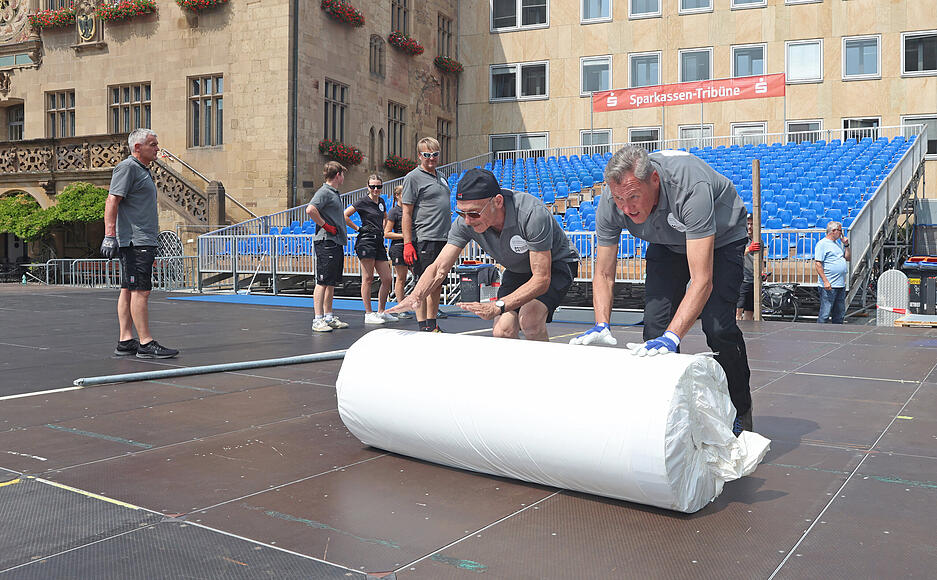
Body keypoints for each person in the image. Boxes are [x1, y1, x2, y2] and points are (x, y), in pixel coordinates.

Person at [571, 145, 753, 435]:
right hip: (667, 243)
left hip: (721, 239)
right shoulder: (612, 200)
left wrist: (674, 336)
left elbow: (702, 279)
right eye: (620, 199)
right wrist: (601, 323)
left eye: (633, 197)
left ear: (654, 180)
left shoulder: (690, 187)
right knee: (655, 327)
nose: (627, 209)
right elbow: (604, 272)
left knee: (718, 327)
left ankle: (740, 408)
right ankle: (673, 414)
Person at [389, 168, 580, 341]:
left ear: (497, 202)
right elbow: (439, 268)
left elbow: (541, 279)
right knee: (501, 331)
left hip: (556, 264)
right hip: (518, 268)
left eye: (473, 213)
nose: (467, 221)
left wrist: (497, 306)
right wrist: (415, 296)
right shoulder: (465, 222)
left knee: (530, 319)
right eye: (462, 213)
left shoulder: (531, 213)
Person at [100, 128, 179, 359]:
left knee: (128, 289)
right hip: (136, 241)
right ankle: (145, 342)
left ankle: (125, 340)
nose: (157, 148)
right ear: (137, 148)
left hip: (140, 239)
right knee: (141, 291)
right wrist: (110, 235)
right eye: (153, 144)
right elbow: (112, 200)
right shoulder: (128, 167)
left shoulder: (142, 170)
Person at [401, 137, 451, 332]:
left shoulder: (442, 176)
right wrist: (407, 243)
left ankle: (432, 324)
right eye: (427, 155)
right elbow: (406, 212)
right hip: (425, 238)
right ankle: (423, 326)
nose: (431, 158)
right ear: (419, 156)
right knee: (423, 283)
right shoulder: (412, 178)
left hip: (443, 238)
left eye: (435, 154)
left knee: (437, 282)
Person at [344, 174, 397, 325]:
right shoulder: (363, 201)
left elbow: (385, 216)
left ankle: (381, 311)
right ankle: (368, 313)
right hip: (366, 241)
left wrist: (384, 228)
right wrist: (358, 228)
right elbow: (345, 215)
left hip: (379, 241)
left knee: (387, 278)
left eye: (378, 186)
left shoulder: (381, 201)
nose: (375, 189)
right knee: (368, 278)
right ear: (368, 187)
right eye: (372, 186)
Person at [306, 161, 351, 333]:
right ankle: (317, 319)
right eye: (343, 174)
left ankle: (328, 316)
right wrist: (325, 225)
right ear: (338, 175)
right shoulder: (324, 192)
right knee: (323, 281)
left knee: (330, 282)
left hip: (335, 242)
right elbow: (310, 210)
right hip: (326, 242)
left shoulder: (333, 193)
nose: (343, 178)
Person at [384, 184, 414, 319]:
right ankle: (401, 307)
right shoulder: (394, 212)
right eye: (403, 194)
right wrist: (404, 235)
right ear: (397, 196)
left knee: (419, 275)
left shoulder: (410, 210)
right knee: (401, 277)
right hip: (398, 247)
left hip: (412, 246)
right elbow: (387, 233)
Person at [814, 220, 850, 324]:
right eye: (840, 231)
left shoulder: (837, 244)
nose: (841, 233)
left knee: (839, 314)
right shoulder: (822, 244)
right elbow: (818, 264)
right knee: (825, 314)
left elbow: (847, 258)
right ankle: (821, 335)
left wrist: (846, 245)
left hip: (840, 284)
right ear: (833, 231)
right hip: (829, 285)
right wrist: (825, 281)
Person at [736, 214, 762, 321]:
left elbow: (761, 258)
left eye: (752, 224)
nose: (750, 226)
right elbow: (737, 254)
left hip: (754, 280)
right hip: (743, 279)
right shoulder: (740, 239)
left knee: (750, 311)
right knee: (739, 310)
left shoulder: (759, 241)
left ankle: (749, 332)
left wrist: (762, 272)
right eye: (748, 224)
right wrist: (748, 249)